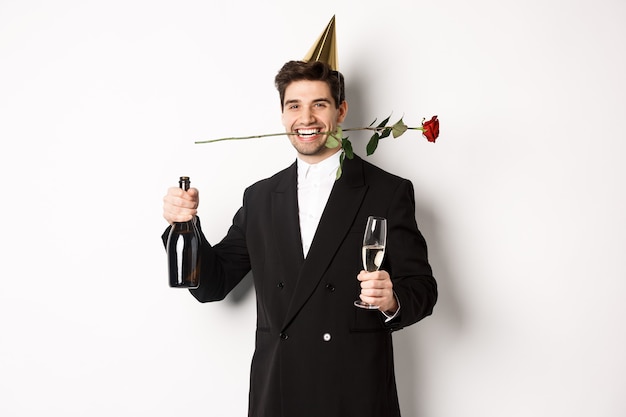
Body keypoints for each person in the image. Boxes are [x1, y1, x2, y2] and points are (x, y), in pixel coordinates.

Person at [162, 59, 437, 417]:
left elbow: (423, 289)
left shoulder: (387, 191)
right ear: (282, 114)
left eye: (319, 104)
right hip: (279, 392)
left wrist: (392, 298)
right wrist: (184, 226)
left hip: (355, 392)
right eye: (294, 105)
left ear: (341, 111)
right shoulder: (259, 198)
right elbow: (212, 285)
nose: (305, 118)